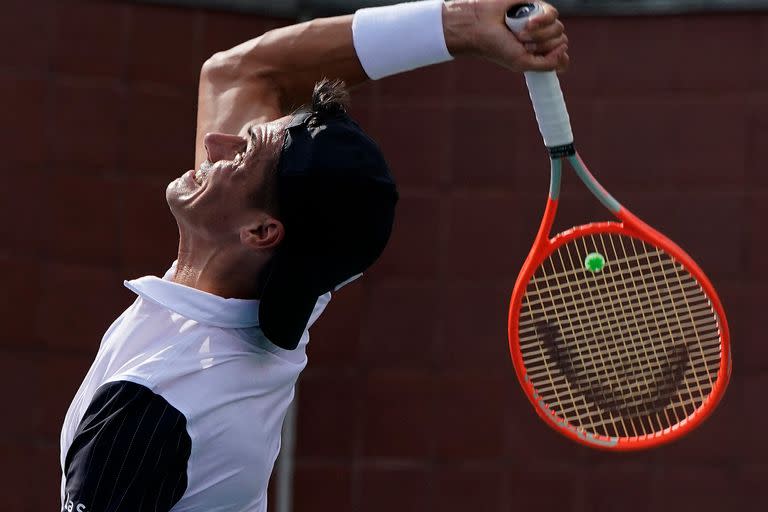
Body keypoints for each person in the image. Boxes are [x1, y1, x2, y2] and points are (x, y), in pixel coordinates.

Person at [59, 1, 568, 510]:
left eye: (241, 154)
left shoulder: (154, 401)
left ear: (261, 230)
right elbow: (242, 72)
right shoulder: (286, 276)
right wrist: (461, 23)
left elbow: (246, 75)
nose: (214, 143)